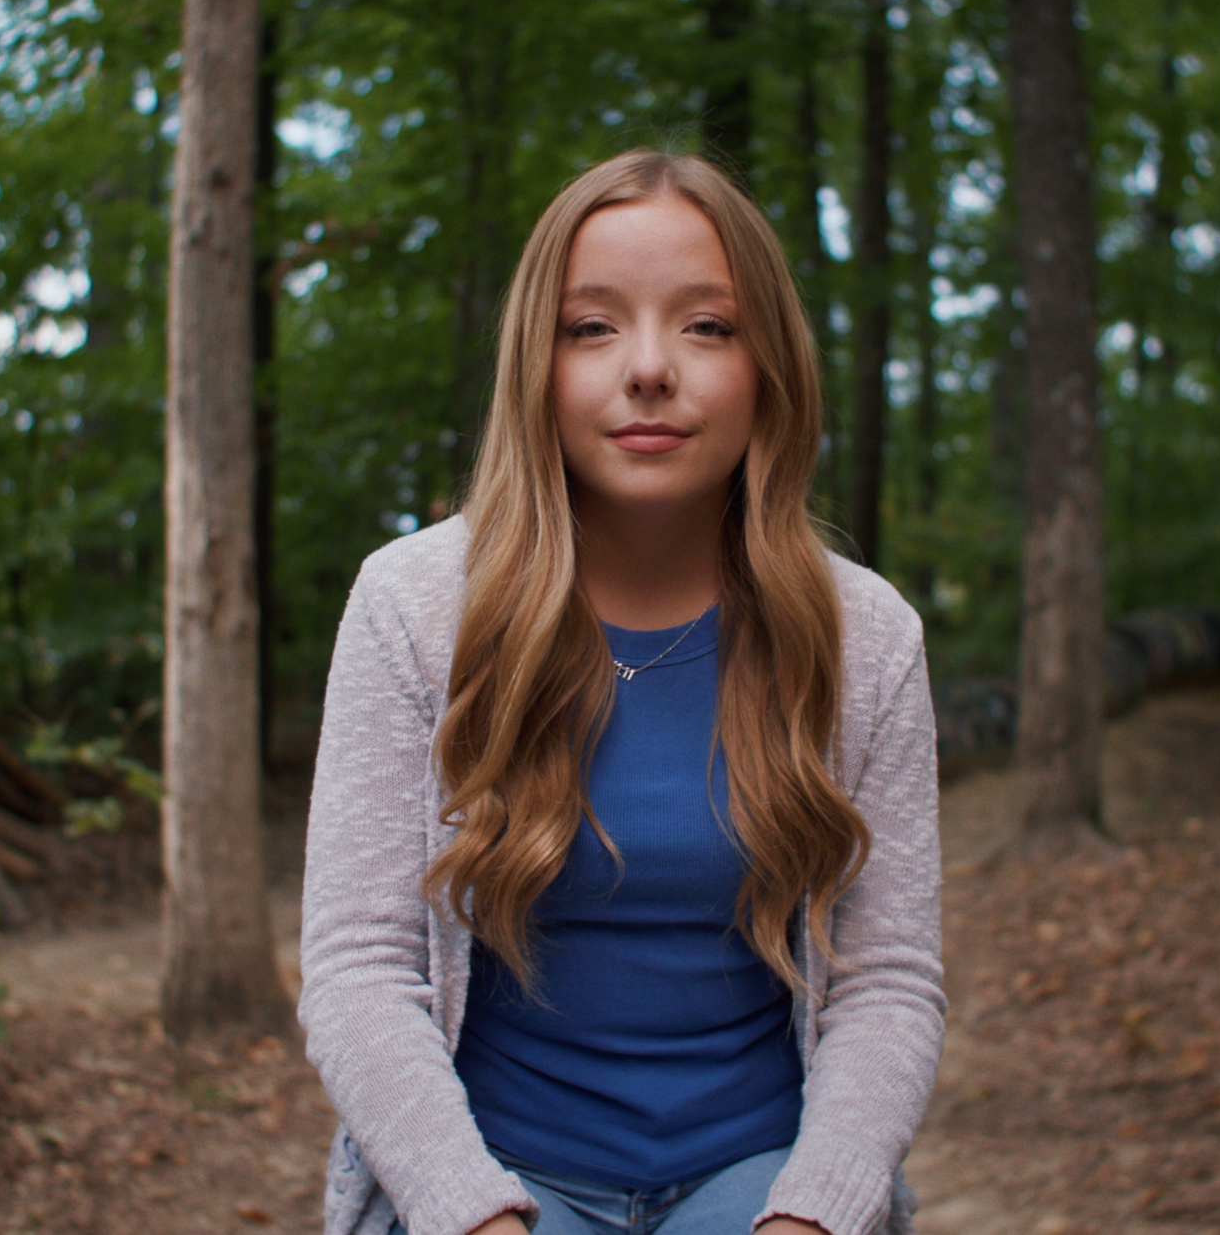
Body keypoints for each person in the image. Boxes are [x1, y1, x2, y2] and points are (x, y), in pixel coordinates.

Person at [299, 149, 943, 1235]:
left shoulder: (865, 636)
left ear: (769, 366)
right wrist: (475, 1216)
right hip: (491, 1180)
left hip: (762, 1182)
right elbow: (358, 970)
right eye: (592, 326)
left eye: (708, 326)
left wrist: (810, 1217)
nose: (649, 368)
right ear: (536, 365)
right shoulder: (412, 608)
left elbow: (889, 980)